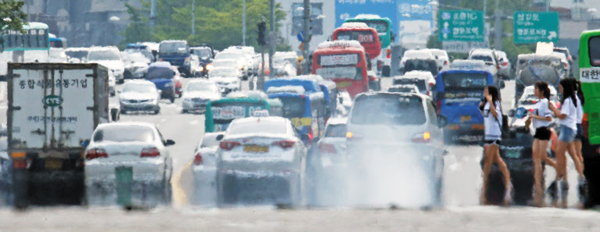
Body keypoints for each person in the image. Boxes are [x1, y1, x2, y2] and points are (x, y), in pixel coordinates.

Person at [548, 79, 580, 208]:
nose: (559, 90)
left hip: (567, 130)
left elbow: (562, 116)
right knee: (571, 155)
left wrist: (552, 108)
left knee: (559, 156)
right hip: (569, 129)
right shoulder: (572, 99)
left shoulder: (567, 101)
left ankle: (559, 181)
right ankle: (573, 180)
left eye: (561, 88)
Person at [480, 85, 512, 205]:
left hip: (494, 136)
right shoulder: (487, 104)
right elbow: (487, 116)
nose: (484, 93)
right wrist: (482, 108)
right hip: (488, 135)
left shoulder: (496, 103)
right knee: (497, 160)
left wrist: (490, 102)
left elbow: (495, 114)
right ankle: (508, 184)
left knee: (488, 161)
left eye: (486, 91)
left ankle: (484, 189)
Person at [525, 81, 553, 206]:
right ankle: (538, 187)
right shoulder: (537, 104)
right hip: (537, 131)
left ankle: (559, 169)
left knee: (542, 157)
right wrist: (528, 120)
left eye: (536, 89)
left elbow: (548, 118)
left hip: (544, 131)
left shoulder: (545, 103)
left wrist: (534, 117)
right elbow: (532, 119)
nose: (534, 91)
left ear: (541, 91)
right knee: (536, 159)